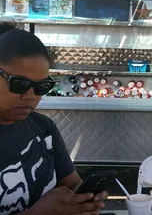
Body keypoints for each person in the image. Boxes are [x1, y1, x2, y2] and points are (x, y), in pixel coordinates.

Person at [0, 22, 108, 215]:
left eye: (41, 86)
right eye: (20, 83)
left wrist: (83, 198)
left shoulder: (44, 129)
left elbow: (72, 182)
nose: (30, 95)